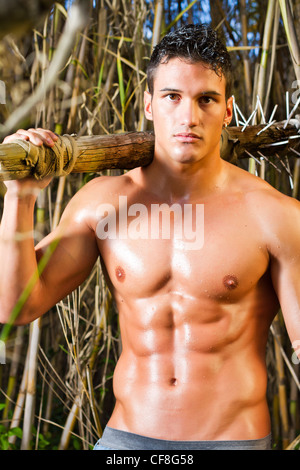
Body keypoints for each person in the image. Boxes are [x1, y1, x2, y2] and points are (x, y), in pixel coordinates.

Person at [0, 23, 300, 451]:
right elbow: (15, 306)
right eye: (172, 97)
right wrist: (21, 197)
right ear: (148, 105)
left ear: (228, 110)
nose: (188, 117)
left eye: (206, 100)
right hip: (126, 442)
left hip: (233, 442)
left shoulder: (275, 216)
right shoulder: (102, 204)